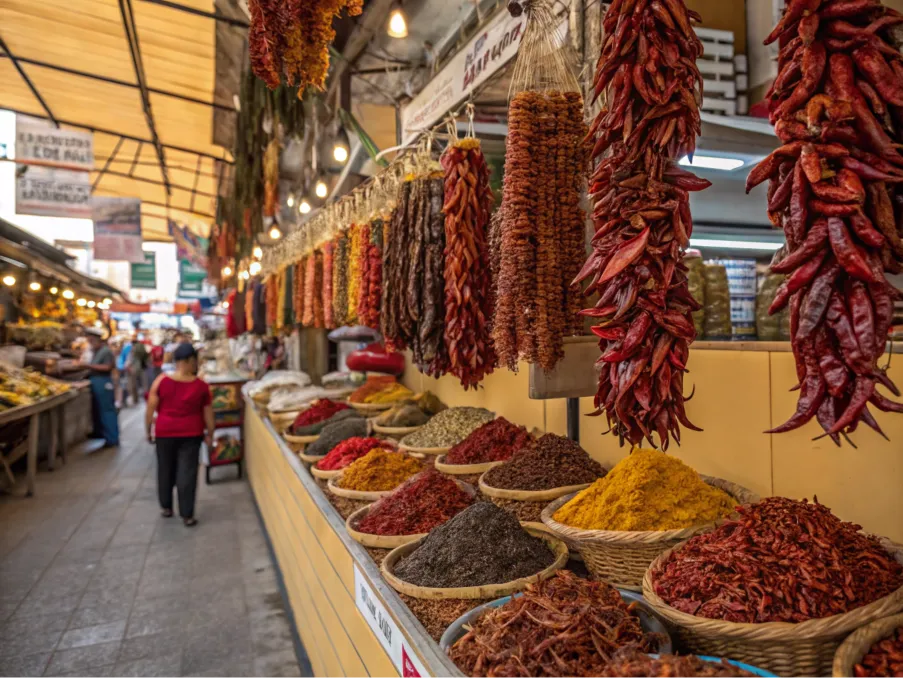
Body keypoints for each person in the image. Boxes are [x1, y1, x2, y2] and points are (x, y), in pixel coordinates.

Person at [145, 342, 213, 527]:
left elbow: (151, 407)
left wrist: (148, 430)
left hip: (164, 432)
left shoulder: (161, 381)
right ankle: (187, 514)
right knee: (188, 471)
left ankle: (166, 507)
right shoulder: (201, 386)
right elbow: (208, 413)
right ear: (191, 361)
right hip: (191, 433)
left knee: (165, 468)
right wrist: (210, 433)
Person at [86, 329, 119, 447]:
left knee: (107, 410)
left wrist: (87, 365)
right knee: (99, 410)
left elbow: (108, 367)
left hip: (103, 382)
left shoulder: (105, 351)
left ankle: (112, 438)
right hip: (97, 381)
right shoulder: (97, 351)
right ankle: (102, 433)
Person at [117, 336, 134, 406]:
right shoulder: (127, 348)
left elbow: (128, 358)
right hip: (122, 369)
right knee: (124, 385)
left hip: (124, 369)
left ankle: (125, 400)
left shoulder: (126, 348)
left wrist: (126, 366)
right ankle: (124, 400)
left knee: (125, 385)